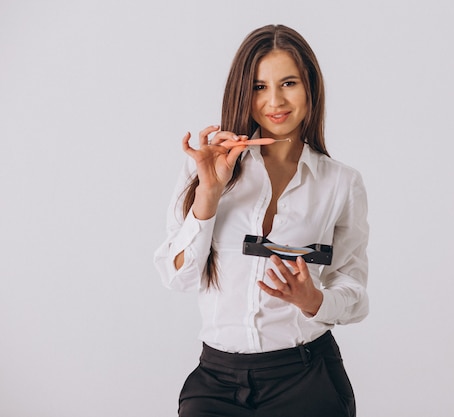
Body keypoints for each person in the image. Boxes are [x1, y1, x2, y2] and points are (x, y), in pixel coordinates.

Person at [154, 24, 369, 417]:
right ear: (242, 92)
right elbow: (177, 277)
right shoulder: (205, 170)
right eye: (258, 87)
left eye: (288, 83)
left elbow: (355, 293)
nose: (275, 100)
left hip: (307, 377)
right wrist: (209, 194)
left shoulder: (342, 183)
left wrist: (313, 300)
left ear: (311, 88)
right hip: (216, 381)